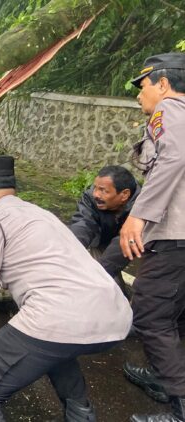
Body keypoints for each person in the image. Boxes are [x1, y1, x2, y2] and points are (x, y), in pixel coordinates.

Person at [0, 156, 131, 421]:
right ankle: (81, 415)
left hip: (59, 316)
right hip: (114, 315)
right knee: (56, 352)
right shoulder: (38, 214)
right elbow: (32, 263)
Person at [119, 53, 185, 422]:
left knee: (152, 314)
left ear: (162, 82)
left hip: (175, 236)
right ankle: (165, 377)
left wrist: (139, 216)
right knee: (176, 315)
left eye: (142, 85)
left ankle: (179, 411)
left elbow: (173, 159)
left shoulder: (170, 110)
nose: (139, 95)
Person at [68, 165, 139, 291]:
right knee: (104, 279)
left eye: (103, 190)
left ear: (124, 195)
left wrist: (99, 274)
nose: (96, 194)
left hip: (143, 245)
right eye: (95, 187)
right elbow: (83, 224)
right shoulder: (90, 197)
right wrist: (68, 253)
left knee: (103, 274)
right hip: (103, 240)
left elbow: (123, 244)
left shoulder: (143, 205)